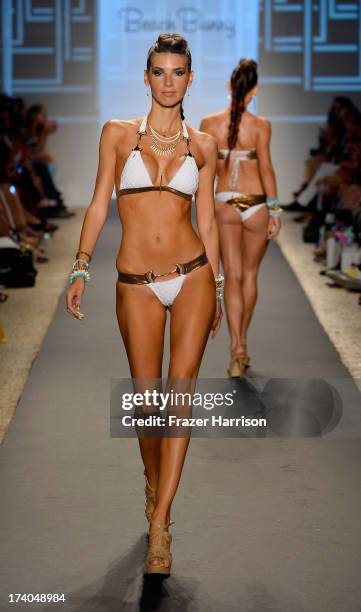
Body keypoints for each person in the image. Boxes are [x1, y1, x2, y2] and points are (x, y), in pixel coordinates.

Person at [65, 33, 223, 576]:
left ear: (190, 77)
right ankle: (154, 483)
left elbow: (207, 221)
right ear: (147, 75)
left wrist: (219, 286)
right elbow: (96, 201)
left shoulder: (203, 146)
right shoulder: (116, 134)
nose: (169, 81)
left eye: (178, 72)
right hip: (134, 281)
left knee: (180, 402)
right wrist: (81, 265)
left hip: (193, 275)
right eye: (159, 71)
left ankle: (161, 526)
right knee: (146, 402)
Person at [200, 58, 282, 377]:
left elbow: (203, 173)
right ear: (255, 90)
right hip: (257, 204)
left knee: (231, 276)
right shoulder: (261, 125)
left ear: (229, 87)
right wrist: (275, 211)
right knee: (250, 275)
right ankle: (243, 342)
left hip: (224, 203)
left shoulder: (209, 123)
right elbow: (266, 169)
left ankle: (236, 348)